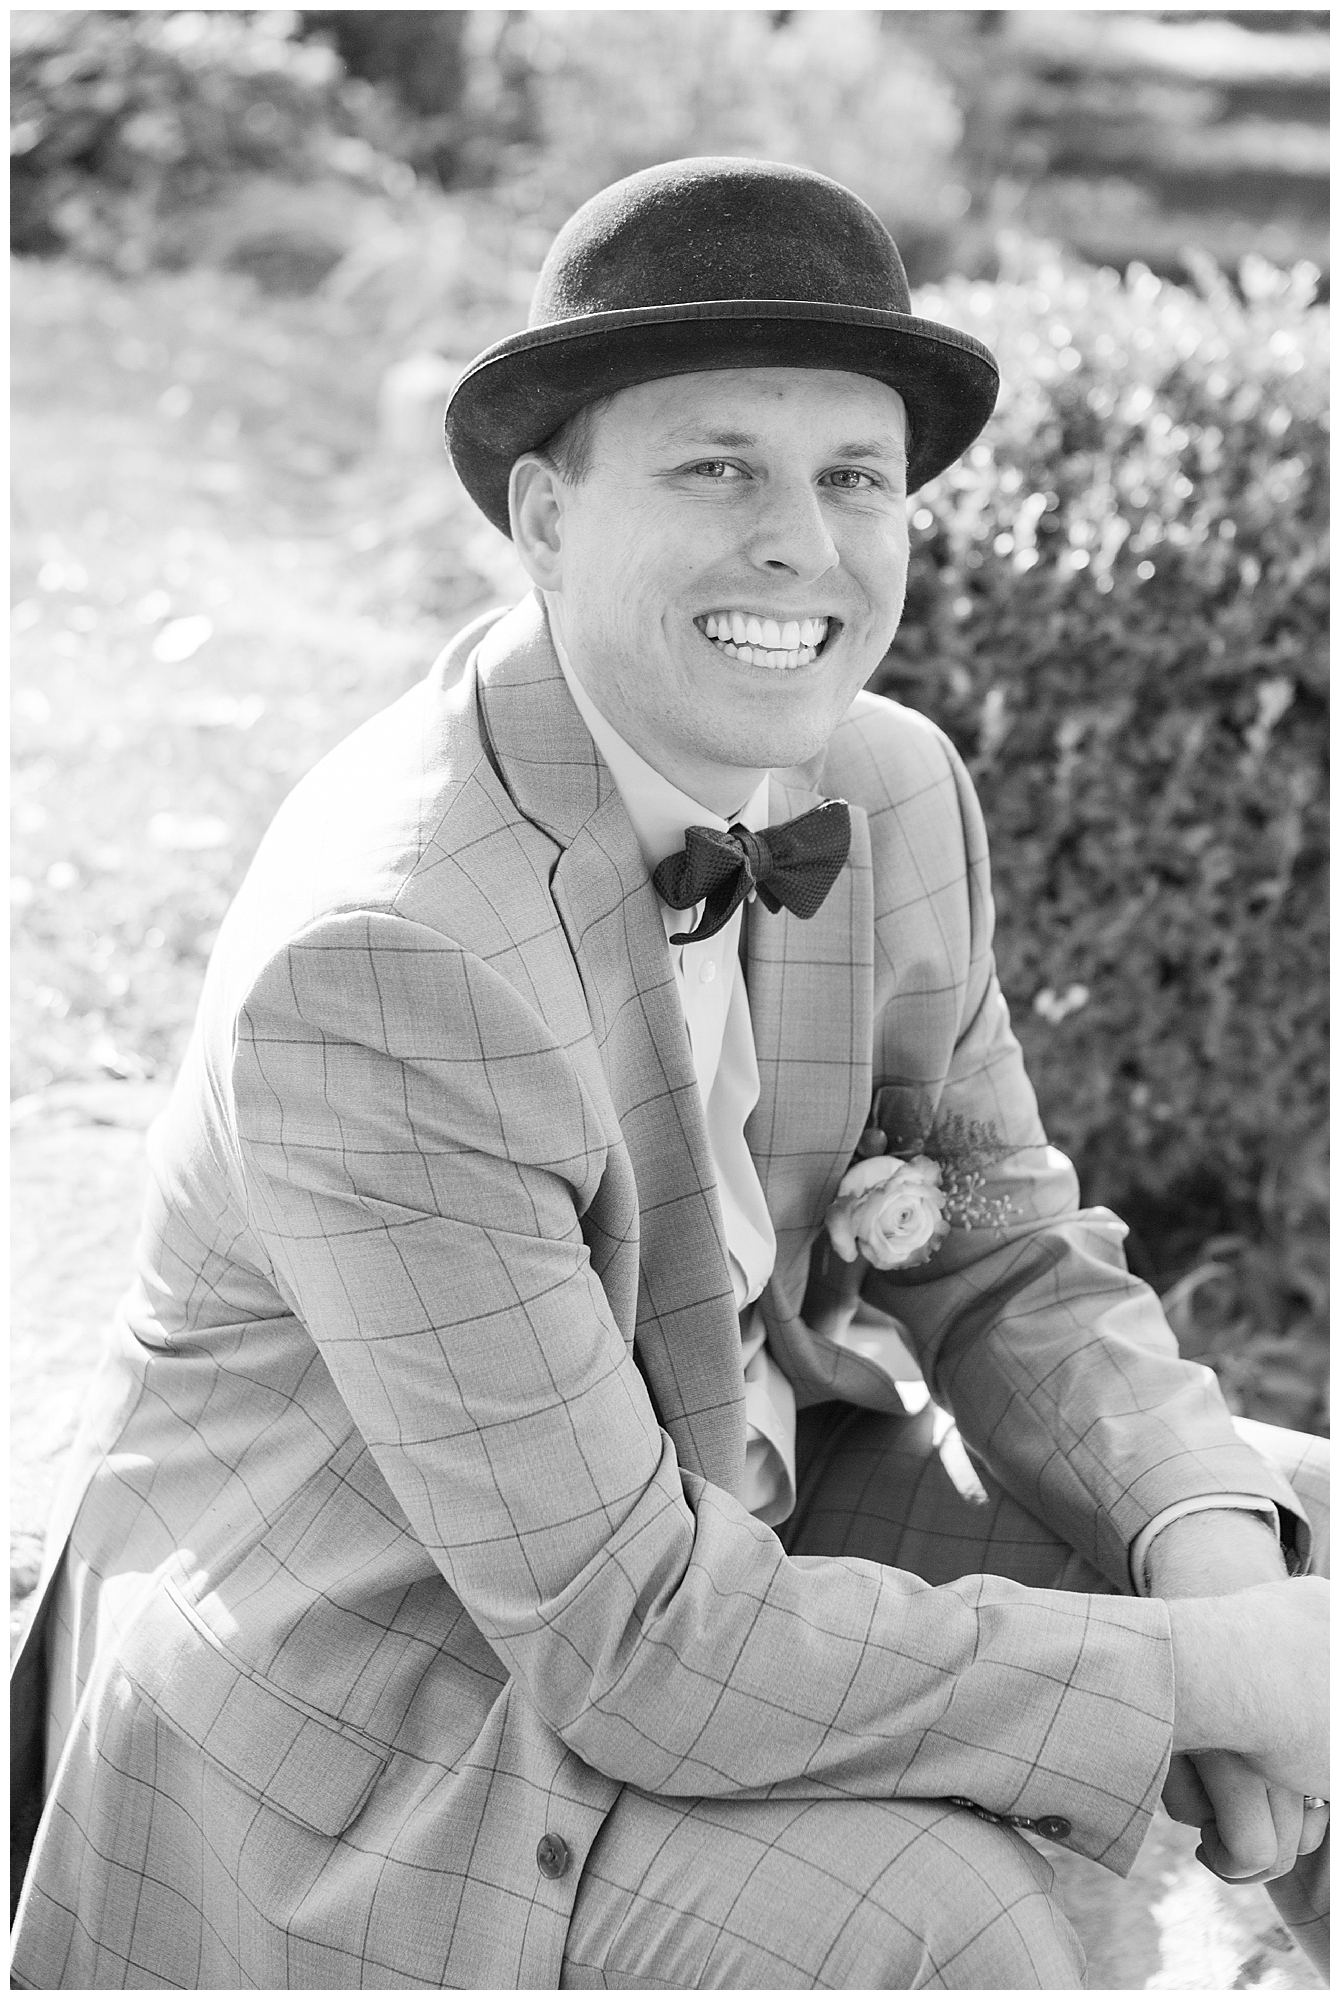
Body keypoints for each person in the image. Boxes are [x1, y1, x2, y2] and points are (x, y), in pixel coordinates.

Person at [10, 157, 1328, 1991]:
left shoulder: (887, 788)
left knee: (1291, 1518)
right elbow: (628, 1643)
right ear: (545, 517)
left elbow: (1004, 1250)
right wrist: (1213, 1680)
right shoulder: (387, 960)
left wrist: (1203, 1554)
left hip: (738, 1493)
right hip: (391, 1687)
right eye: (717, 467)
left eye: (853, 478)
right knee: (948, 1930)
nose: (801, 539)